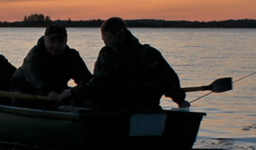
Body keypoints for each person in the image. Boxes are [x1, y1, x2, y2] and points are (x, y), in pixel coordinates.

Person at [53, 17, 187, 112]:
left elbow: (98, 85)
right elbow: (170, 79)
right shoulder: (150, 53)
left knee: (73, 101)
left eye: (103, 38)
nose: (104, 42)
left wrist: (71, 92)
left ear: (110, 35)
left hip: (115, 112)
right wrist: (180, 100)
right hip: (148, 108)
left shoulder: (109, 54)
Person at [11, 24, 91, 101]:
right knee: (21, 101)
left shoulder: (72, 56)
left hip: (56, 90)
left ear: (66, 41)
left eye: (60, 42)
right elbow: (35, 79)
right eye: (52, 41)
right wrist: (49, 92)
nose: (56, 45)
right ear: (45, 39)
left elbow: (85, 78)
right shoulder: (35, 56)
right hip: (26, 88)